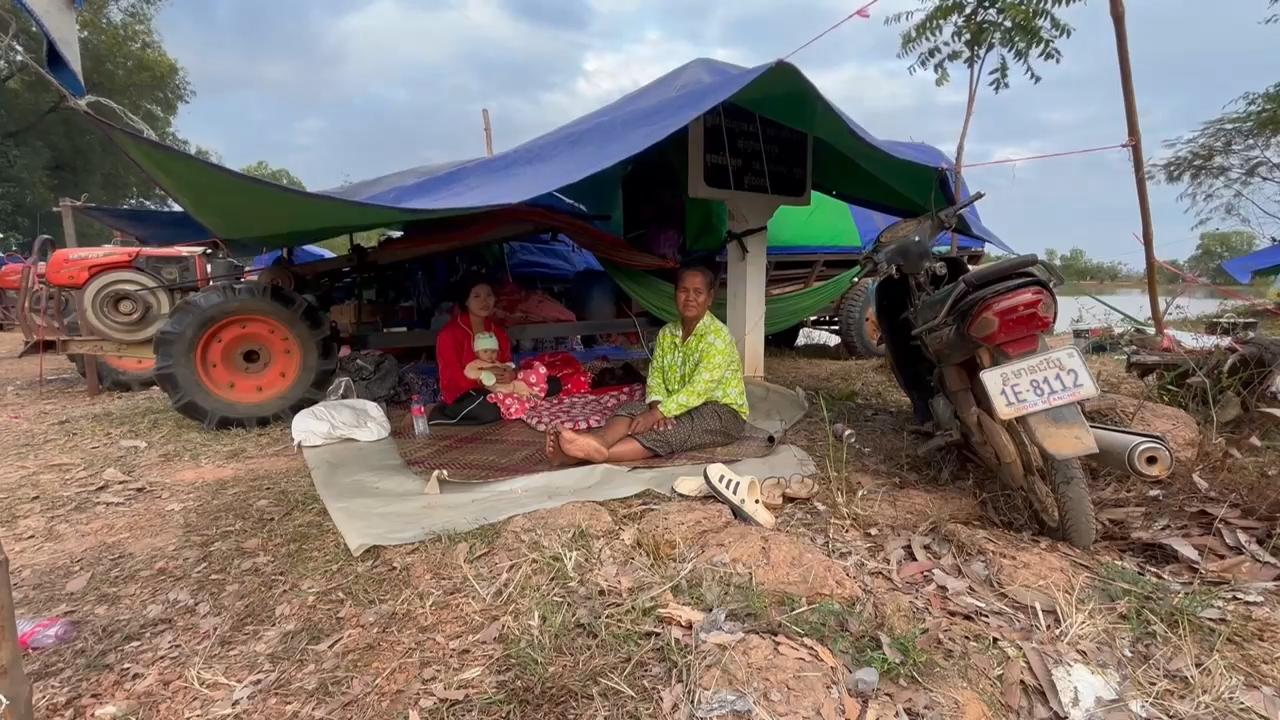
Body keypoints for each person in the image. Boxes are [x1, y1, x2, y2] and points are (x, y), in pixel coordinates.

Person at [548, 264, 748, 464]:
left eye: (698, 292)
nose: (690, 298)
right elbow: (656, 378)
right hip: (675, 405)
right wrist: (657, 408)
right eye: (683, 291)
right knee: (631, 409)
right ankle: (598, 441)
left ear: (710, 298)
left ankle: (577, 456)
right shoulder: (667, 333)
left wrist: (658, 414)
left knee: (671, 430)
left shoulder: (718, 336)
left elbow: (699, 390)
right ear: (675, 294)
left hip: (720, 413)